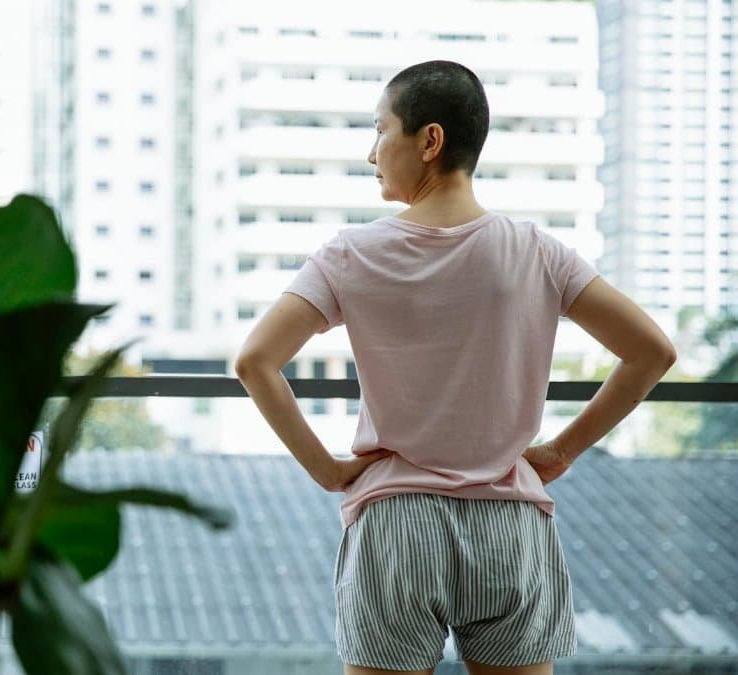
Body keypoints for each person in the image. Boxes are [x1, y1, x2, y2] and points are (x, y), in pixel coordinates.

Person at [234, 60, 677, 675]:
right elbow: (652, 352)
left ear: (429, 140)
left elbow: (255, 361)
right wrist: (562, 451)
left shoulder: (349, 255)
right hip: (508, 523)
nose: (371, 153)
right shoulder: (538, 253)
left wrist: (330, 471)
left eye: (380, 130)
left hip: (396, 526)